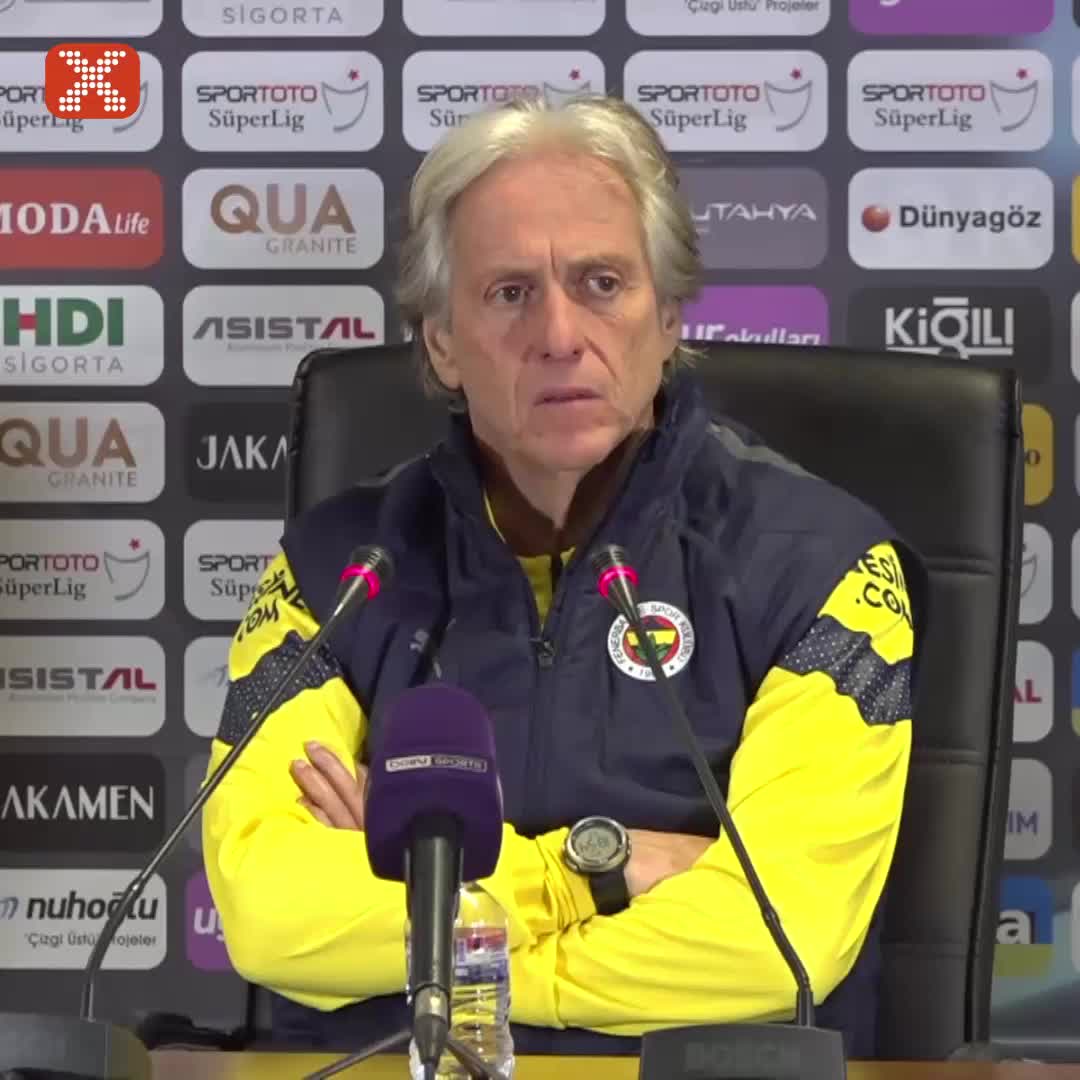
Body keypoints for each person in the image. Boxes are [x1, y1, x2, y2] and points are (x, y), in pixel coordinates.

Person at [202, 94, 922, 1060]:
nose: (559, 333)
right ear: (441, 342)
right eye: (509, 293)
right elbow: (269, 910)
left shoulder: (820, 562)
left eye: (602, 283)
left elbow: (779, 937)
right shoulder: (335, 566)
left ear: (668, 317)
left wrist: (460, 945)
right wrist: (598, 870)